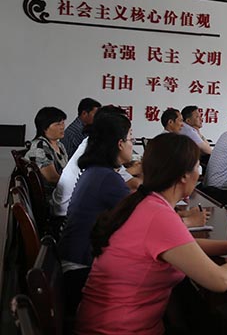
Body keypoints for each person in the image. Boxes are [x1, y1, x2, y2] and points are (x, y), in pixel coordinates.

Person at [76, 133, 227, 334]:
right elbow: (219, 280)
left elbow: (183, 246)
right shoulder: (158, 215)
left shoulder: (146, 202)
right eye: (198, 166)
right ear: (184, 175)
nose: (199, 173)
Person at [58, 110, 134, 314]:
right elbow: (141, 219)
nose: (133, 144)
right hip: (80, 271)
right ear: (119, 143)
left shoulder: (96, 170)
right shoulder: (107, 178)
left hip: (73, 260)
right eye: (131, 138)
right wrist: (186, 221)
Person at [52, 106, 141, 216]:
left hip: (70, 215)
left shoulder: (97, 154)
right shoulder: (104, 171)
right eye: (130, 137)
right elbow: (134, 187)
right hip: (64, 216)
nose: (132, 142)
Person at [24, 106, 69, 213]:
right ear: (44, 128)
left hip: (61, 194)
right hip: (52, 200)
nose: (62, 127)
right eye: (57, 124)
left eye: (63, 123)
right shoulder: (40, 147)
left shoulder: (60, 145)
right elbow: (52, 178)